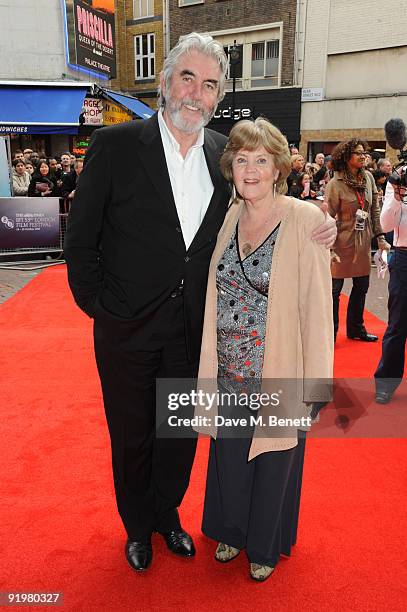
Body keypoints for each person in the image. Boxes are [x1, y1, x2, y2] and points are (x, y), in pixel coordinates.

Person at [64, 32, 337, 574]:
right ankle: (137, 525)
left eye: (209, 84)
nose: (196, 93)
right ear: (165, 84)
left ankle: (168, 515)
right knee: (132, 433)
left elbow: (263, 208)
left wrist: (318, 222)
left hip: (194, 333)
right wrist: (103, 307)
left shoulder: (222, 156)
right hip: (126, 328)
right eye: (187, 78)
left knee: (180, 434)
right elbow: (81, 242)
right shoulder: (116, 147)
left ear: (217, 96)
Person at [195, 117, 333, 582]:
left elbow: (318, 308)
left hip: (279, 368)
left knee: (274, 458)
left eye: (260, 160)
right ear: (230, 166)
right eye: (241, 160)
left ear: (278, 168)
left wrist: (317, 385)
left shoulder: (306, 219)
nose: (250, 170)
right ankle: (231, 530)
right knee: (231, 456)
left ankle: (265, 545)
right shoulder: (231, 216)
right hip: (230, 366)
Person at [325, 139, 390, 342]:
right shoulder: (335, 184)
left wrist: (380, 238)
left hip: (362, 241)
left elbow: (374, 210)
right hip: (339, 241)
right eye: (358, 153)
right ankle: (331, 333)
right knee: (334, 291)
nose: (363, 156)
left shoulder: (368, 178)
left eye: (364, 153)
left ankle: (356, 329)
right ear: (346, 157)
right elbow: (327, 218)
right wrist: (328, 248)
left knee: (361, 286)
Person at [374, 178, 407, 404]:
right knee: (397, 324)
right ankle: (385, 384)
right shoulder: (399, 178)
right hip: (404, 256)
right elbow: (385, 225)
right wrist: (396, 195)